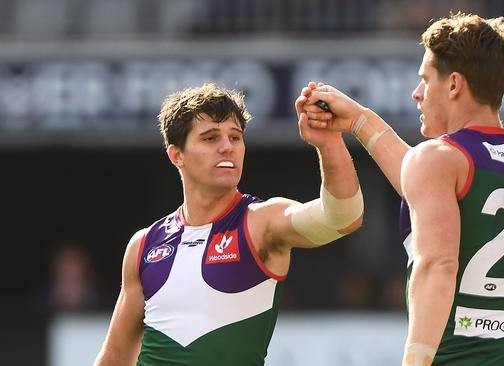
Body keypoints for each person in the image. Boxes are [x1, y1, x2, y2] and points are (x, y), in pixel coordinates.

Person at [298, 12, 504, 365]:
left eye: (425, 79)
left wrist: (414, 360)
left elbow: (437, 264)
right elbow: (421, 182)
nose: (416, 93)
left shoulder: (438, 159)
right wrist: (359, 121)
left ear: (453, 85)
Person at [94, 83, 364, 365]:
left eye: (235, 137)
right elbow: (115, 356)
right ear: (177, 155)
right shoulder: (144, 245)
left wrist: (329, 142)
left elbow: (344, 217)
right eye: (210, 138)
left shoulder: (261, 222)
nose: (227, 147)